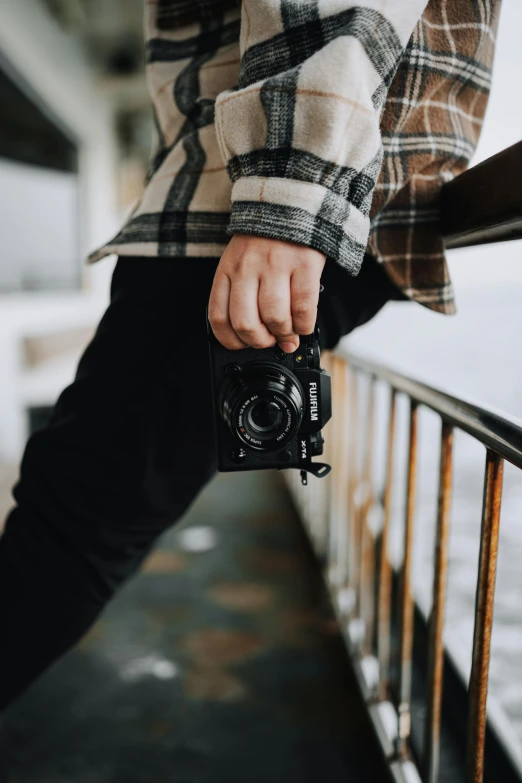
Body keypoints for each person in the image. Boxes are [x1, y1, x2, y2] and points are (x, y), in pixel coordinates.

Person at [0, 0, 500, 709]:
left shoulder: (277, 197)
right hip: (290, 192)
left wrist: (286, 195)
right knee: (80, 512)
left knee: (72, 521)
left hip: (250, 201)